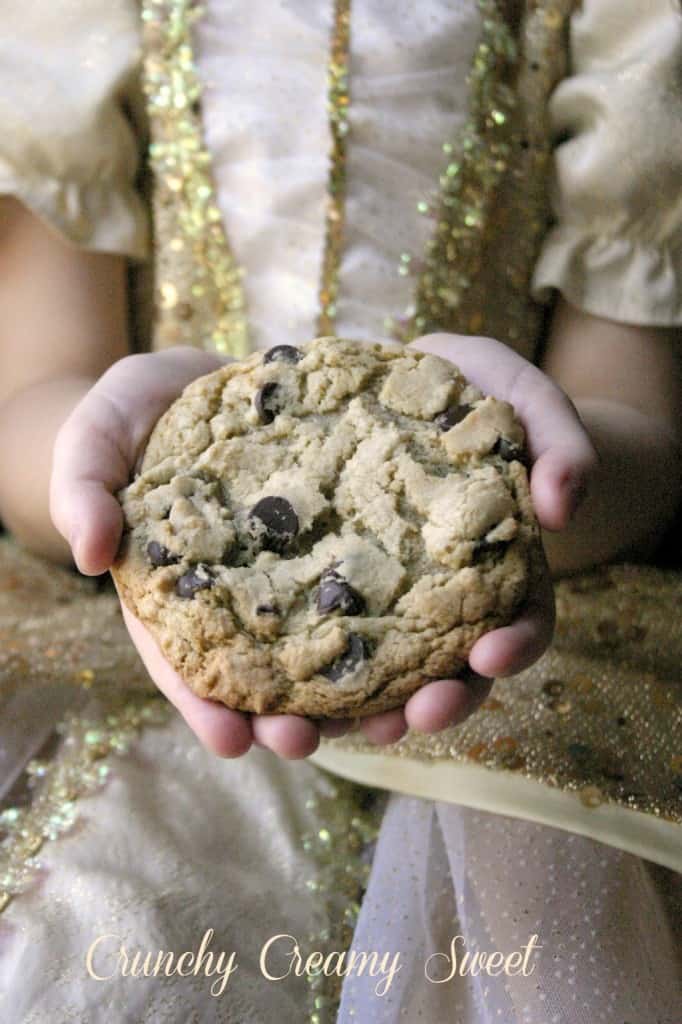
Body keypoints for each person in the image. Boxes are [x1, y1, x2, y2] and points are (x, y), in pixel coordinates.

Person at [0, 1, 680, 1021]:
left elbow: (647, 440)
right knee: (110, 950)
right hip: (135, 665)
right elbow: (34, 401)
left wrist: (534, 473)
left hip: (535, 683)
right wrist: (107, 462)